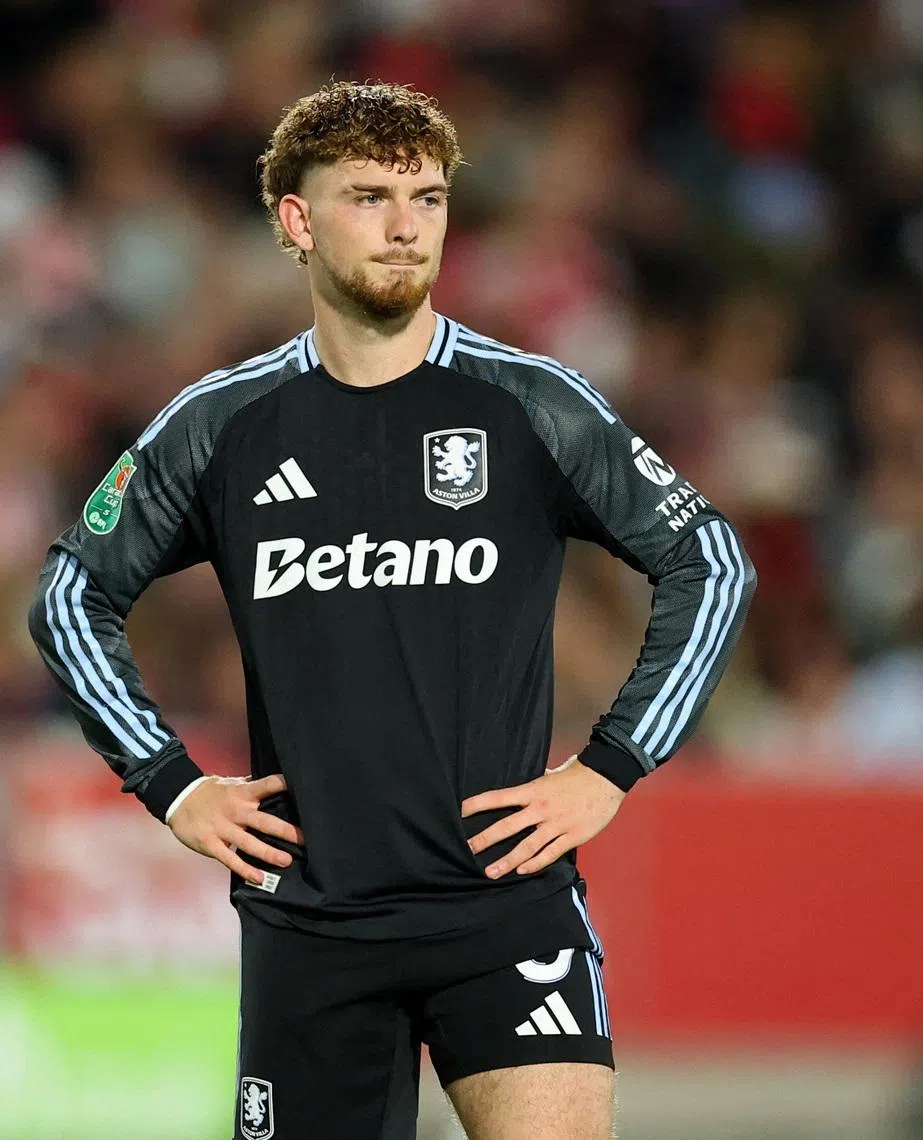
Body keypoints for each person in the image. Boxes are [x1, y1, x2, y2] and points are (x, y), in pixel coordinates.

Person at [28, 81, 756, 1140]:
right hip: (313, 925)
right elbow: (67, 593)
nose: (407, 224)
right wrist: (172, 785)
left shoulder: (528, 403)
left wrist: (611, 766)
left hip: (504, 908)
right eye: (369, 195)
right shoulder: (223, 427)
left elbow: (711, 560)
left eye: (427, 197)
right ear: (297, 220)